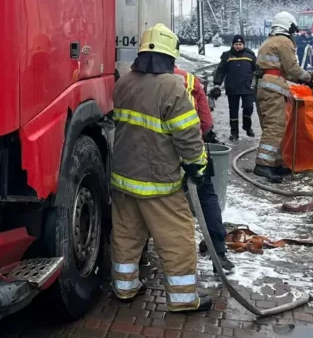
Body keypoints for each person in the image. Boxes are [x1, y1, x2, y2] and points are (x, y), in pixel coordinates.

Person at [110, 23, 212, 313]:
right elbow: (188, 136)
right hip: (160, 184)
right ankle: (183, 299)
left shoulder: (124, 82)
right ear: (170, 56)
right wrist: (197, 167)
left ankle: (125, 287)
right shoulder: (172, 87)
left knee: (126, 236)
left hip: (124, 179)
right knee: (176, 240)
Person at [253, 12, 313, 183]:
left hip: (265, 86)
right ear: (287, 25)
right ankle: (263, 165)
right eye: (293, 28)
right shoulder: (284, 42)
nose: (294, 32)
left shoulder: (270, 41)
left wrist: (305, 82)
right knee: (275, 126)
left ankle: (275, 163)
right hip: (273, 89)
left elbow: (281, 70)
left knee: (273, 126)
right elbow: (293, 69)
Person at [173, 64, 235, 273]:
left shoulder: (142, 79)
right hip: (192, 150)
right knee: (207, 197)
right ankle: (219, 253)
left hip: (159, 156)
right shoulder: (190, 80)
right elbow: (206, 122)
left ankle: (143, 257)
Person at [209, 35, 257, 141]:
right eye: (236, 44)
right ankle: (234, 133)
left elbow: (256, 69)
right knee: (233, 111)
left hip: (247, 87)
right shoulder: (227, 56)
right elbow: (220, 71)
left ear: (243, 44)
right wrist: (217, 84)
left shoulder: (250, 54)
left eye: (240, 44)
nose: (238, 46)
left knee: (249, 107)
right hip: (232, 88)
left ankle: (247, 126)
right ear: (233, 45)